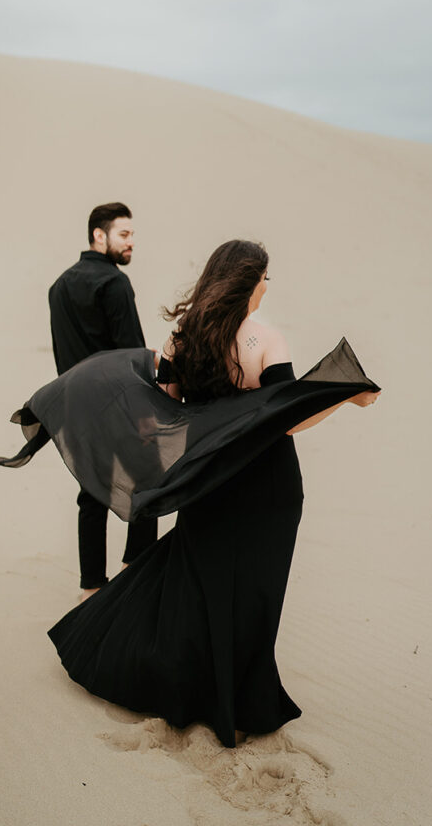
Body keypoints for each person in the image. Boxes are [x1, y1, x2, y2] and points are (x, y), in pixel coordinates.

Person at [41, 240, 381, 747]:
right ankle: (240, 698)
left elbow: (166, 409)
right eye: (266, 278)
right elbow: (286, 422)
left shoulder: (183, 336)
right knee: (256, 592)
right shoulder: (266, 341)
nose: (268, 287)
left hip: (210, 483)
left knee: (204, 583)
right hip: (269, 487)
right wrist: (347, 397)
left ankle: (190, 687)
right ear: (249, 283)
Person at [48, 202, 157, 601]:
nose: (132, 243)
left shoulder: (59, 286)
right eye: (124, 235)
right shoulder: (114, 284)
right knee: (148, 486)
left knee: (91, 495)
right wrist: (147, 417)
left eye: (132, 236)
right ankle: (135, 576)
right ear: (99, 235)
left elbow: (64, 356)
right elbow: (132, 355)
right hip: (119, 408)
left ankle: (91, 588)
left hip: (76, 409)